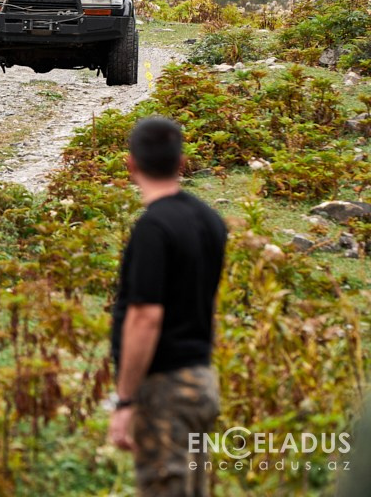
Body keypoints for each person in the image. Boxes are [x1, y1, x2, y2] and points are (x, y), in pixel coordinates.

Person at [108, 116, 228, 496]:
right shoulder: (210, 219)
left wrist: (125, 399)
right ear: (181, 162)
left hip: (165, 388)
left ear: (131, 163)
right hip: (201, 380)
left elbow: (145, 316)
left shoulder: (153, 229)